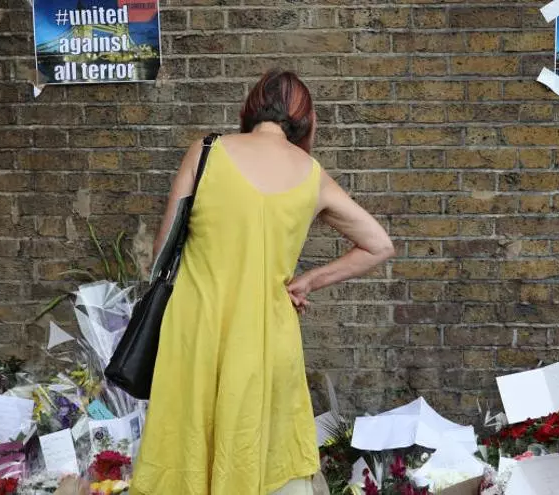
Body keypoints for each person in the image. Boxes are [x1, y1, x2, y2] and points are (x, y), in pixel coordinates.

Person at [131, 69, 395, 495]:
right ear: (306, 120)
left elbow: (162, 253)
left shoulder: (205, 151)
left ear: (250, 108)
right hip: (266, 336)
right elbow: (379, 244)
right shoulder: (312, 174)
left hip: (196, 328)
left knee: (187, 447)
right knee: (258, 452)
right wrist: (308, 282)